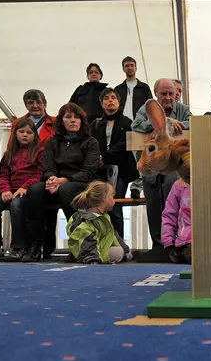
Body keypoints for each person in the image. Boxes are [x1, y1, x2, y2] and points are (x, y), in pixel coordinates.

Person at [24, 103, 100, 261]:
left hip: (81, 183)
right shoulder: (53, 142)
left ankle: (77, 245)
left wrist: (63, 180)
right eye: (68, 117)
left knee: (67, 191)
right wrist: (52, 178)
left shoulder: (91, 142)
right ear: (61, 121)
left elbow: (88, 171)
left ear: (82, 121)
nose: (73, 120)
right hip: (56, 182)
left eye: (76, 117)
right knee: (35, 191)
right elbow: (48, 166)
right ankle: (35, 245)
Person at [131, 78, 191, 250]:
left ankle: (175, 242)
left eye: (171, 94)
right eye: (163, 94)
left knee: (173, 201)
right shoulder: (146, 109)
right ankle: (158, 245)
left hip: (174, 166)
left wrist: (164, 125)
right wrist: (165, 121)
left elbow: (192, 124)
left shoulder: (183, 109)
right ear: (156, 94)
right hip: (152, 165)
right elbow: (136, 125)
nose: (168, 97)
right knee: (153, 202)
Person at [0, 119, 44, 262]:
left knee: (16, 206)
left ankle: (18, 247)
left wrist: (25, 187)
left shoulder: (40, 152)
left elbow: (40, 174)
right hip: (9, 190)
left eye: (29, 132)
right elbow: (2, 175)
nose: (25, 135)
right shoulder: (9, 154)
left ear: (35, 135)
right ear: (15, 134)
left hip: (26, 192)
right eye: (21, 132)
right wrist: (4, 190)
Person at [8, 89, 57, 260]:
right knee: (24, 206)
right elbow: (11, 152)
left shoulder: (55, 122)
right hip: (24, 178)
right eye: (30, 102)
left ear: (45, 104)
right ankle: (26, 247)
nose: (35, 105)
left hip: (47, 171)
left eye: (38, 102)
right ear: (26, 105)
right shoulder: (18, 123)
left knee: (49, 212)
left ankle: (48, 247)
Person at [90, 88, 139, 238]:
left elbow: (124, 145)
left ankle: (119, 242)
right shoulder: (95, 124)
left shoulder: (128, 122)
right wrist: (97, 159)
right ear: (101, 103)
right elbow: (92, 144)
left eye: (113, 98)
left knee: (115, 205)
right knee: (97, 205)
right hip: (100, 170)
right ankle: (99, 240)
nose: (110, 100)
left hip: (121, 169)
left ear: (119, 102)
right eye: (106, 98)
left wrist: (104, 157)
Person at [161, 178, 211, 264]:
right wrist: (169, 242)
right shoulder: (179, 186)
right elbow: (169, 214)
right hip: (190, 241)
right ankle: (182, 252)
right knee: (195, 257)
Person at [67, 181, 132, 264]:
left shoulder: (104, 217)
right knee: (117, 253)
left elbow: (113, 236)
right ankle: (85, 257)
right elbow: (87, 243)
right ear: (105, 197)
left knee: (119, 251)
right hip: (89, 252)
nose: (114, 200)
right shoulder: (87, 222)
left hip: (98, 248)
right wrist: (92, 259)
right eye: (112, 197)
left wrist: (126, 250)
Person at [115, 56, 153, 121]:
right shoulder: (118, 89)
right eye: (127, 66)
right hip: (121, 124)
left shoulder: (144, 87)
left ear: (136, 68)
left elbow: (150, 106)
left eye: (132, 65)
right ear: (123, 69)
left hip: (140, 124)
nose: (130, 67)